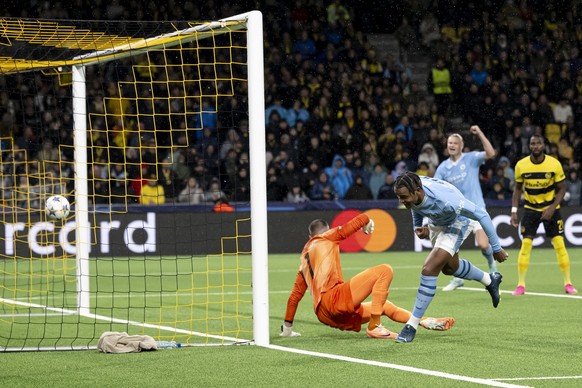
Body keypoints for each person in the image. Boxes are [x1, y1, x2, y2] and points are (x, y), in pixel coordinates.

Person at [280, 215, 455, 339]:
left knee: (383, 305)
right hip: (335, 299)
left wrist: (287, 328)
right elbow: (359, 220)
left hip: (324, 314)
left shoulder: (303, 260)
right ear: (326, 231)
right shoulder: (327, 237)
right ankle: (375, 326)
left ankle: (424, 321)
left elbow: (294, 298)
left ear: (309, 236)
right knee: (384, 271)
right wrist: (367, 222)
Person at [392, 172, 508, 343]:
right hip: (437, 221)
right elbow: (415, 206)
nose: (401, 201)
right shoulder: (413, 188)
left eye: (403, 197)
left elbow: (481, 214)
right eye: (399, 197)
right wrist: (418, 226)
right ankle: (490, 280)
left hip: (457, 222)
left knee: (429, 269)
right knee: (449, 269)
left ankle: (411, 325)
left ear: (417, 191)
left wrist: (496, 248)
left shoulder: (447, 201)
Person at [510, 134, 578, 295]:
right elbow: (518, 188)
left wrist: (552, 208)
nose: (535, 146)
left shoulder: (554, 164)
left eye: (538, 143)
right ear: (529, 146)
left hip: (551, 209)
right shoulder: (521, 165)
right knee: (525, 246)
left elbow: (562, 188)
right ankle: (521, 285)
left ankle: (568, 283)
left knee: (560, 246)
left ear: (543, 145)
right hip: (530, 210)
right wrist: (514, 210)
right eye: (532, 143)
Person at [434, 126, 498, 291]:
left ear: (461, 146)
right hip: (457, 214)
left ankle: (493, 268)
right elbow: (436, 189)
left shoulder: (471, 158)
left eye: (455, 143)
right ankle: (457, 279)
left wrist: (481, 134)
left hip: (476, 209)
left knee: (484, 245)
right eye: (450, 143)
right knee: (452, 248)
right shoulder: (443, 168)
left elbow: (491, 153)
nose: (452, 145)